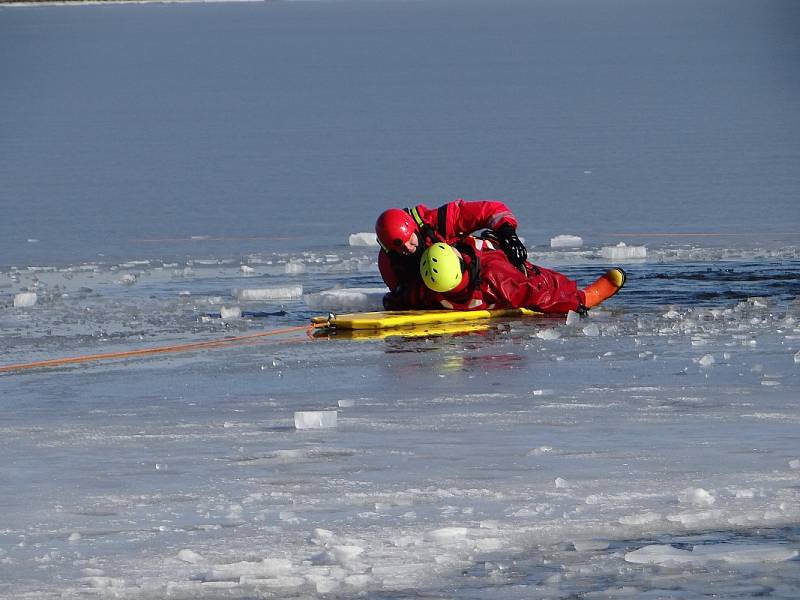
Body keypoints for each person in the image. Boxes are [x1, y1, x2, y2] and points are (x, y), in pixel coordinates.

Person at [375, 199, 527, 309]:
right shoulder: (389, 263)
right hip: (441, 293)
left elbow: (491, 210)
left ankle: (516, 269)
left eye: (410, 239)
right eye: (400, 247)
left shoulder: (438, 222)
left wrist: (509, 234)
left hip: (480, 270)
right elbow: (403, 291)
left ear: (415, 228)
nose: (408, 248)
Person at [415, 239, 626, 314]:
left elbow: (535, 295)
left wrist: (577, 303)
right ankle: (583, 297)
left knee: (542, 282)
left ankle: (584, 296)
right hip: (509, 279)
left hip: (509, 270)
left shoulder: (495, 276)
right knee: (541, 283)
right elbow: (536, 296)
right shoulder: (495, 277)